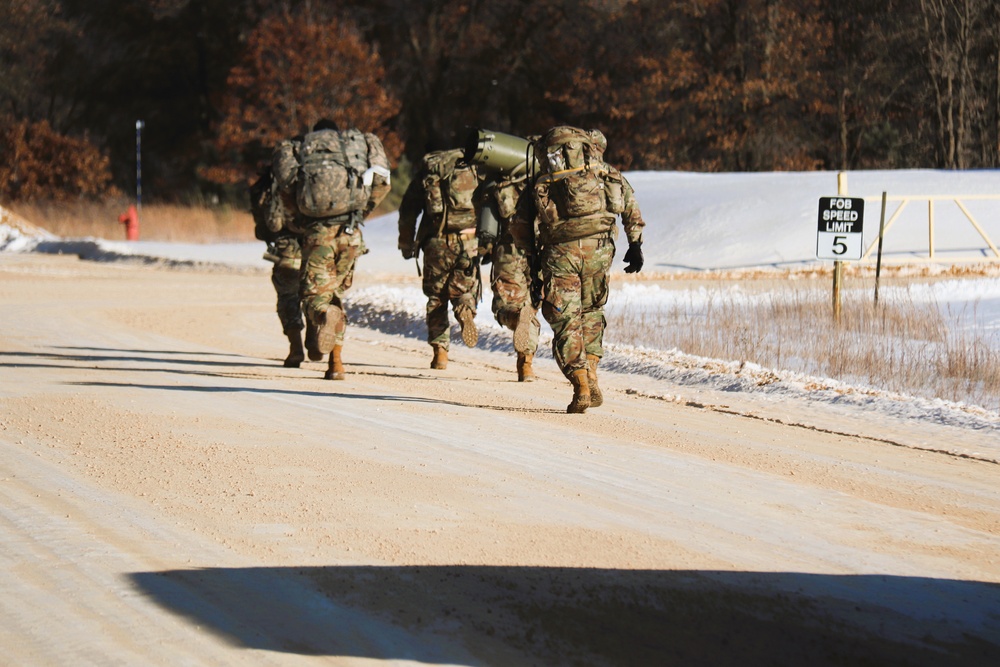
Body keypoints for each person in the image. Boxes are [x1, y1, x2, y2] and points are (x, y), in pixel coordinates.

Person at [510, 125, 645, 413]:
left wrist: (529, 264)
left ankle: (581, 383)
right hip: (600, 250)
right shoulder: (604, 170)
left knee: (565, 318)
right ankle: (593, 370)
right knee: (593, 311)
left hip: (561, 253)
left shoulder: (545, 178)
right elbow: (630, 206)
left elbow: (521, 228)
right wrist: (635, 244)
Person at [272, 119, 391, 380]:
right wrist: (361, 212)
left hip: (318, 233)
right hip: (351, 234)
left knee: (315, 295)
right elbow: (383, 182)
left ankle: (324, 318)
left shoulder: (300, 149)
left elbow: (286, 188)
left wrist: (303, 221)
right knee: (335, 291)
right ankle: (336, 364)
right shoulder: (354, 149)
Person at [397, 148, 482, 369]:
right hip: (469, 241)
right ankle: (465, 308)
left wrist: (406, 245)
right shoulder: (475, 169)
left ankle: (440, 354)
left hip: (436, 242)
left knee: (437, 297)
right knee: (464, 288)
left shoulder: (429, 174)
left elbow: (408, 211)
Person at [479, 173, 540, 381]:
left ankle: (514, 317)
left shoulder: (500, 184)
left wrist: (484, 249)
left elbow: (485, 223)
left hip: (509, 252)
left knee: (505, 306)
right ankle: (526, 364)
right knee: (531, 308)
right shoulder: (545, 182)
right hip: (540, 252)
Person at [248, 158, 307, 368]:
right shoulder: (320, 171)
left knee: (288, 297)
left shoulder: (277, 177)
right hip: (321, 243)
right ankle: (324, 349)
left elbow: (263, 224)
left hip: (287, 247)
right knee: (320, 294)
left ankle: (296, 347)